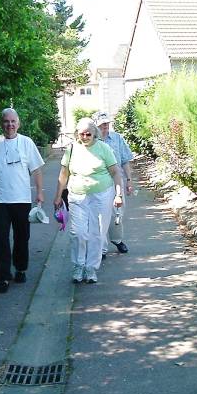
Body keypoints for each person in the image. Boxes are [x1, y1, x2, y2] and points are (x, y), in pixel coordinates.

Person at [53, 118, 124, 284]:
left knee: (97, 234)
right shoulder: (71, 149)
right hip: (77, 195)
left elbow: (115, 172)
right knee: (78, 233)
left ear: (95, 134)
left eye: (88, 134)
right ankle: (79, 265)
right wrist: (57, 196)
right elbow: (64, 174)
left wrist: (118, 194)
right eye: (81, 134)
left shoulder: (103, 148)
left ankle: (91, 267)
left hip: (101, 195)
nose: (84, 137)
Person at [0, 108, 45, 293]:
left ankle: (20, 269)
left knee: (21, 236)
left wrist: (40, 192)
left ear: (18, 123)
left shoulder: (27, 142)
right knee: (1, 238)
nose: (10, 125)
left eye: (13, 121)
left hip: (22, 199)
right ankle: (2, 277)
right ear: (1, 123)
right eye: (6, 121)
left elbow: (37, 170)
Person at [93, 111, 134, 255]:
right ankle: (102, 248)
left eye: (107, 124)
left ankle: (117, 240)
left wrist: (129, 180)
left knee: (118, 213)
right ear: (96, 126)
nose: (105, 127)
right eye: (102, 125)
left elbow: (125, 160)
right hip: (98, 183)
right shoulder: (92, 141)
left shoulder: (117, 138)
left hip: (117, 182)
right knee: (100, 216)